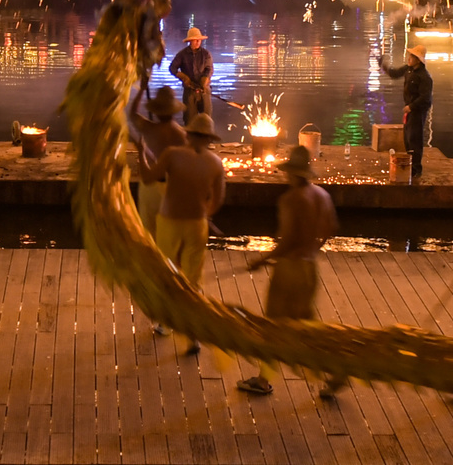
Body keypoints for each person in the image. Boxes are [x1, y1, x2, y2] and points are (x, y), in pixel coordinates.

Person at [237, 145, 341, 397]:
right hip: (309, 268)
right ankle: (334, 372)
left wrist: (263, 260)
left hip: (289, 270)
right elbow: (331, 229)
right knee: (307, 328)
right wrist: (313, 248)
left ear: (292, 173)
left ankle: (263, 380)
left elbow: (288, 241)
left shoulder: (291, 200)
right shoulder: (322, 196)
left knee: (273, 326)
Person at [146, 112, 226, 357]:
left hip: (170, 222)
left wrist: (141, 154)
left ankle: (165, 322)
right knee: (193, 280)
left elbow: (149, 178)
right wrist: (205, 214)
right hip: (197, 224)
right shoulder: (215, 163)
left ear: (189, 135)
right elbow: (218, 199)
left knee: (168, 273)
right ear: (209, 139)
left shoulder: (173, 154)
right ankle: (193, 335)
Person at [130, 86, 188, 336]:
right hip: (170, 191)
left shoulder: (148, 129)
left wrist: (140, 91)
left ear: (156, 110)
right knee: (170, 250)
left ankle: (163, 307)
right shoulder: (181, 135)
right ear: (174, 111)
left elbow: (131, 115)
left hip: (149, 188)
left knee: (151, 243)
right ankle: (168, 306)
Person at [380, 44, 432, 178]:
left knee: (414, 139)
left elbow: (426, 98)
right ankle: (410, 165)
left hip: (417, 111)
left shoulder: (425, 77)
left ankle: (416, 169)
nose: (409, 58)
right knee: (407, 139)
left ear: (418, 60)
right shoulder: (408, 69)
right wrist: (384, 65)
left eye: (412, 57)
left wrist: (412, 106)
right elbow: (394, 73)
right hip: (409, 109)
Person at [169, 26, 213, 119]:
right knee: (189, 119)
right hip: (189, 91)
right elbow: (172, 68)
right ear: (190, 41)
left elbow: (209, 69)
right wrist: (183, 77)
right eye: (195, 40)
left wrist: (204, 80)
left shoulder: (206, 54)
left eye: (199, 40)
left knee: (206, 119)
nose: (198, 42)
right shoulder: (182, 55)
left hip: (204, 91)